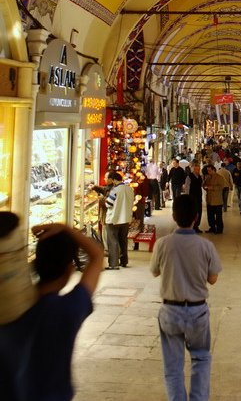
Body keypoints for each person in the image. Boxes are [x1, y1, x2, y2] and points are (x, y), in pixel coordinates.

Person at [0, 215, 103, 401]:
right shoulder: (68, 309)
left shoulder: (12, 308)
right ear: (70, 269)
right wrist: (63, 227)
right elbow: (96, 256)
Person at [150, 194, 222, 401]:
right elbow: (213, 278)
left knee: (172, 366)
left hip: (170, 310)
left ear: (173, 216)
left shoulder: (163, 244)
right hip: (197, 311)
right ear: (196, 217)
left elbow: (155, 271)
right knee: (201, 358)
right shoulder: (205, 246)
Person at [105, 171, 135, 269]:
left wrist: (103, 199)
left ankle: (114, 264)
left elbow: (108, 204)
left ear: (113, 180)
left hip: (114, 219)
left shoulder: (115, 190)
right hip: (126, 219)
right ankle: (124, 261)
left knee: (113, 241)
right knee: (123, 240)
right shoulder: (130, 189)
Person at [203, 164, 226, 234]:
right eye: (207, 171)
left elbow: (221, 187)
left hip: (217, 201)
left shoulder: (220, 177)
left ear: (214, 170)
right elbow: (204, 185)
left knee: (218, 216)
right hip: (209, 200)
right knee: (210, 216)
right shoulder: (208, 178)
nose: (208, 172)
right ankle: (212, 228)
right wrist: (205, 186)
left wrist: (212, 188)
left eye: (209, 170)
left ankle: (219, 229)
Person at [185, 161, 204, 232]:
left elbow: (201, 185)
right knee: (193, 212)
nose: (197, 171)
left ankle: (197, 226)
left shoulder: (200, 177)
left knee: (199, 212)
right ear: (193, 169)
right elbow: (187, 188)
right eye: (196, 169)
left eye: (199, 169)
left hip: (199, 197)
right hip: (192, 197)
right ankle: (192, 226)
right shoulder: (189, 177)